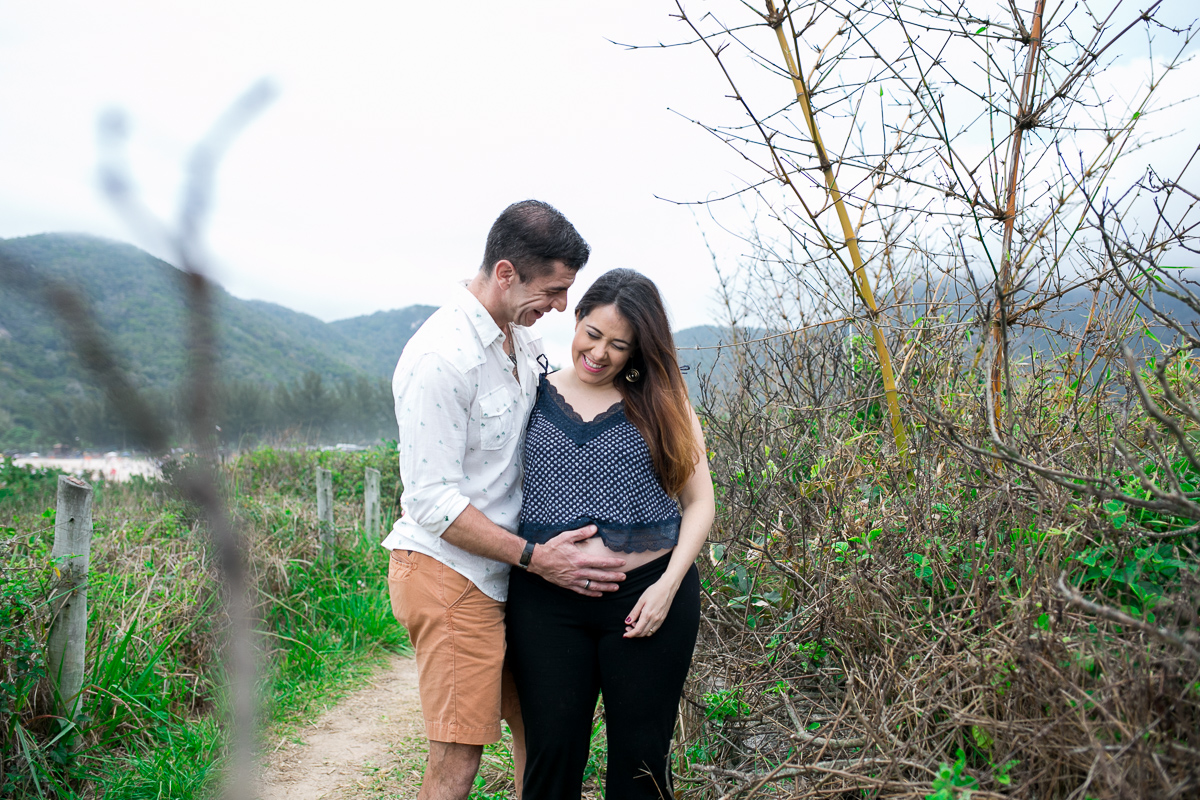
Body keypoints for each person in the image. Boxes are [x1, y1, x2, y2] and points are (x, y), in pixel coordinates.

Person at [382, 200, 628, 800]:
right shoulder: (441, 357)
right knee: (459, 757)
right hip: (452, 574)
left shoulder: (519, 337)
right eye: (555, 289)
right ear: (506, 273)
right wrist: (536, 557)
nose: (562, 307)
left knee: (543, 736)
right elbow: (433, 502)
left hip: (511, 577)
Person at [506, 268, 716, 800]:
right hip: (547, 603)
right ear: (575, 320)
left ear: (638, 350)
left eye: (618, 345)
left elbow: (700, 503)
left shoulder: (663, 402)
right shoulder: (530, 394)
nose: (599, 353)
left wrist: (666, 587)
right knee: (552, 755)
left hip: (644, 598)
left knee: (641, 761)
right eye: (592, 334)